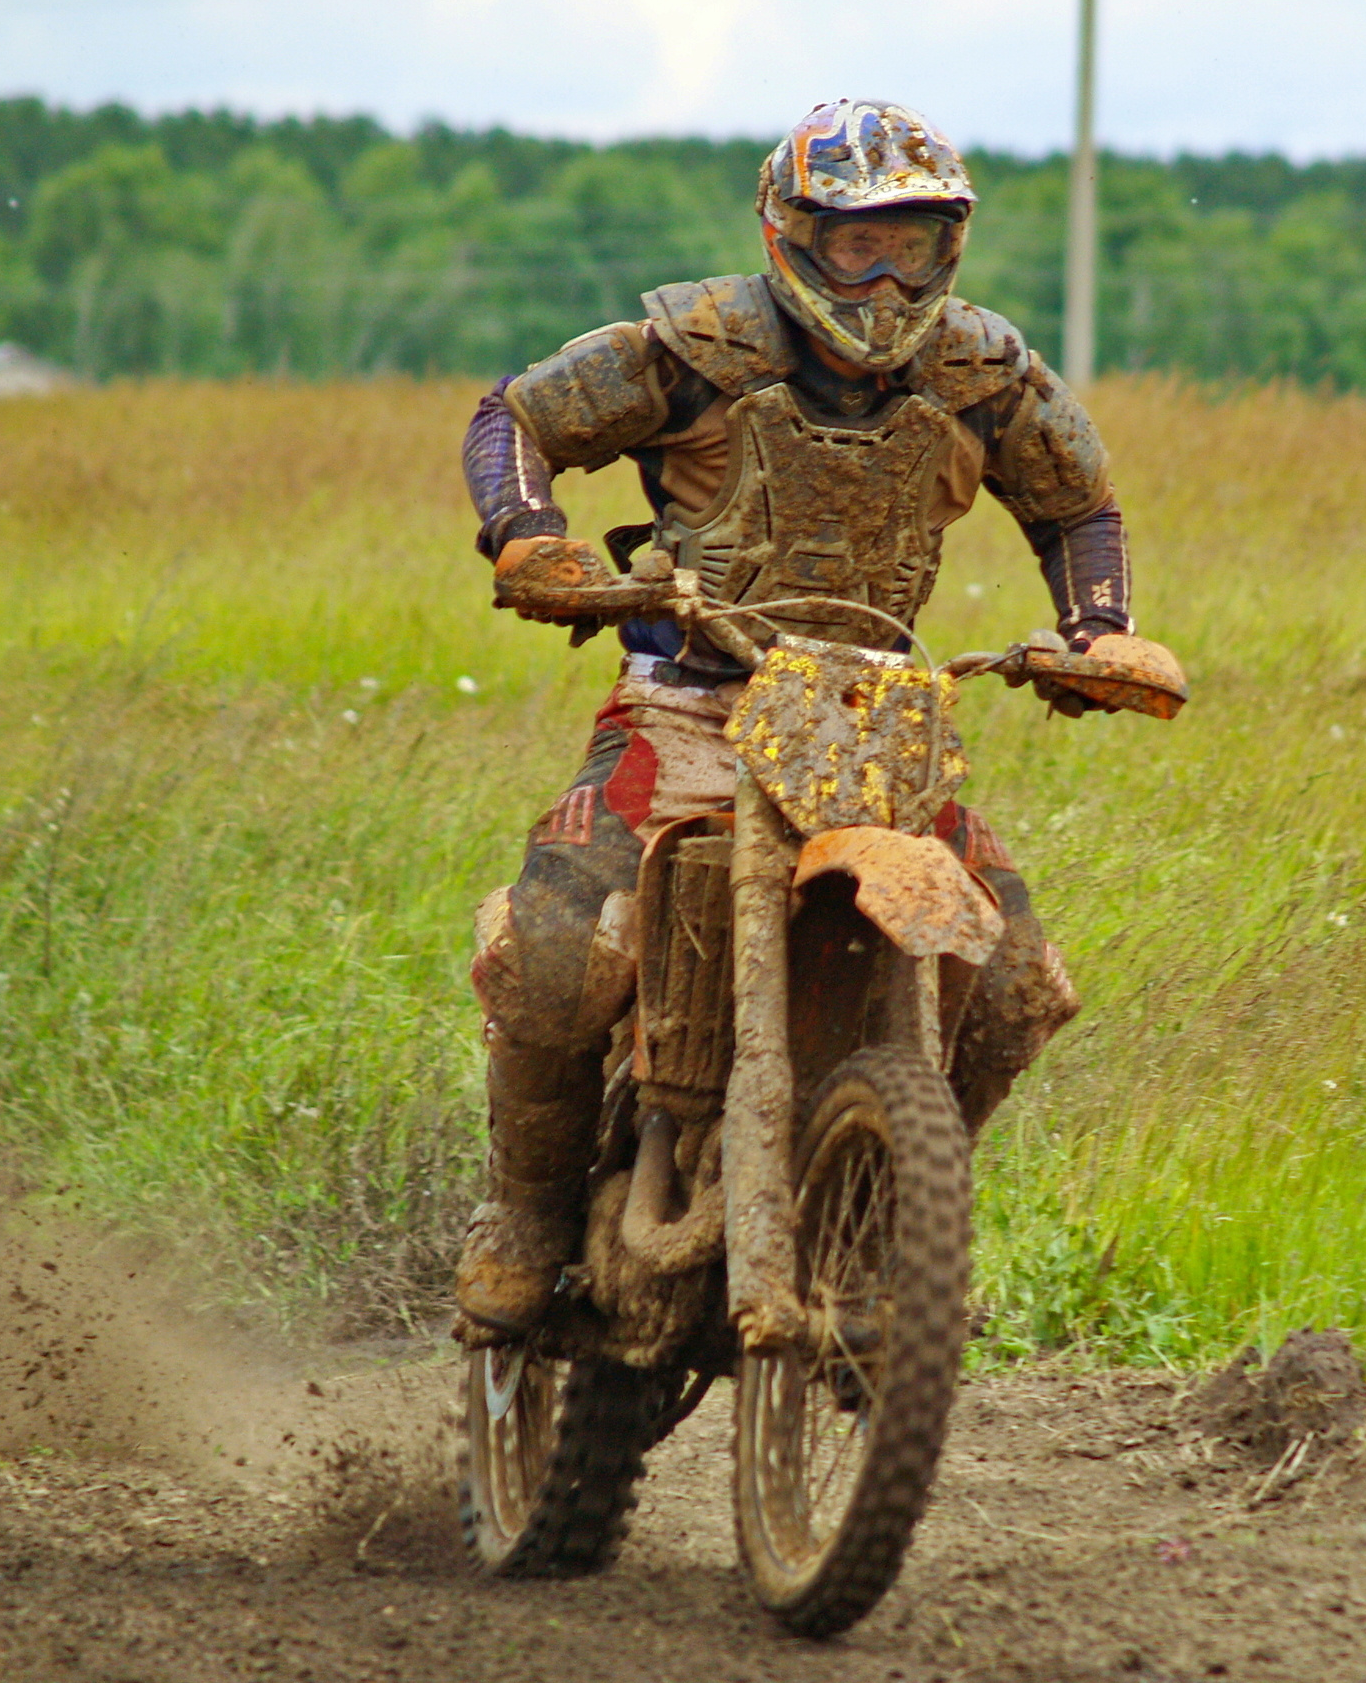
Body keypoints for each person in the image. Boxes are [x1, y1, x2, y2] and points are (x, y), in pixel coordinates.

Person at [452, 98, 1136, 1344]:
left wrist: (1095, 628)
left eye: (917, 246)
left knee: (1017, 984)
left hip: (870, 718)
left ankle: (888, 1207)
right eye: (856, 246)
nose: (885, 281)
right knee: (559, 956)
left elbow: (1077, 502)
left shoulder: (983, 369)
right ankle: (527, 1216)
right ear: (790, 236)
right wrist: (530, 536)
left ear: (954, 251)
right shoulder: (692, 347)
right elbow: (519, 416)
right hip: (688, 702)